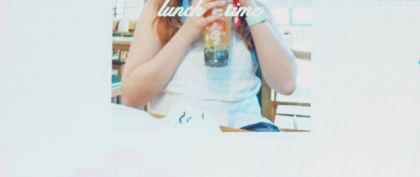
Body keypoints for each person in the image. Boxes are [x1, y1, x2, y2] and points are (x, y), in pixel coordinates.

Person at [121, 0, 297, 131]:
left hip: (243, 126)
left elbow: (286, 84)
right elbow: (132, 96)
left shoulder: (255, 10)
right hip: (174, 125)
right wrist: (187, 32)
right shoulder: (160, 9)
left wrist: (252, 10)